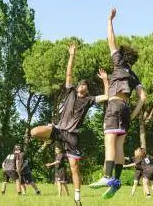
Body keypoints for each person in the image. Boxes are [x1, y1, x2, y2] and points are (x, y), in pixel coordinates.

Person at [30, 43, 109, 206]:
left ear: (87, 90)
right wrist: (72, 55)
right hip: (58, 130)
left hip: (72, 136)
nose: (82, 86)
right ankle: (51, 140)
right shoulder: (70, 92)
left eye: (85, 85)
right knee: (34, 132)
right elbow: (68, 74)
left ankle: (78, 198)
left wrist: (105, 79)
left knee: (74, 168)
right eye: (80, 84)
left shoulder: (89, 100)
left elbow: (107, 96)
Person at [89, 7, 147, 199]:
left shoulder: (119, 63)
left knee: (109, 142)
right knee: (120, 145)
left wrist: (109, 20)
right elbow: (143, 98)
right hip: (126, 109)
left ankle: (107, 176)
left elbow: (111, 41)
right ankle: (117, 180)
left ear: (122, 55)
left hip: (114, 106)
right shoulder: (134, 74)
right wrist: (133, 113)